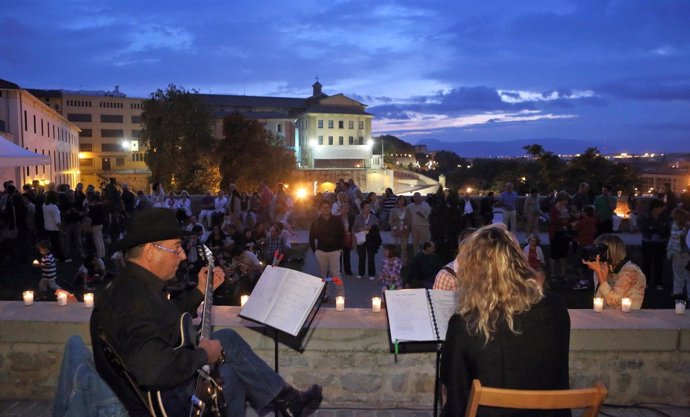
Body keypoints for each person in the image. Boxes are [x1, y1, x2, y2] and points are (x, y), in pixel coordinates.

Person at [90, 208, 322, 417]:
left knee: (227, 339)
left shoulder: (133, 286)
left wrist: (201, 291)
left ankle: (287, 401)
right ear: (150, 251)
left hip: (161, 386)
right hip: (166, 403)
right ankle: (287, 402)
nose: (182, 255)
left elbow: (163, 316)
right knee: (229, 377)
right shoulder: (133, 300)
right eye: (176, 248)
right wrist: (202, 355)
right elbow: (153, 371)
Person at [441, 224, 570, 417]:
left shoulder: (466, 323)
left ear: (473, 271)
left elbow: (455, 394)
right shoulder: (555, 308)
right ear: (518, 261)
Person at [584, 234, 646, 309]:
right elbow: (599, 300)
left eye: (599, 250)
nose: (597, 254)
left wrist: (600, 274)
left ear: (611, 252)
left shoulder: (630, 271)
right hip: (609, 316)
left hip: (628, 317)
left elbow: (612, 300)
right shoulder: (607, 267)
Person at [309, 201, 345, 297]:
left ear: (330, 208)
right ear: (320, 209)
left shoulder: (336, 221)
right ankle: (325, 293)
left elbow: (342, 234)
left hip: (334, 251)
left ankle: (340, 294)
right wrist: (315, 251)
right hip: (321, 251)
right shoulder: (316, 222)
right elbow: (311, 237)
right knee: (323, 275)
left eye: (327, 207)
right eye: (323, 207)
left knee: (336, 274)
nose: (326, 209)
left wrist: (340, 248)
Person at [638, 199, 671, 291]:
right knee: (646, 263)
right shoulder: (646, 216)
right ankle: (646, 282)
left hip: (660, 243)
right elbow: (643, 228)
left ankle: (658, 282)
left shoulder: (664, 217)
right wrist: (655, 229)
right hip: (648, 242)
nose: (662, 209)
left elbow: (666, 229)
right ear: (655, 208)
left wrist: (653, 228)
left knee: (659, 263)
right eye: (661, 207)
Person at [353, 200, 381, 280]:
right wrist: (362, 228)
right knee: (361, 256)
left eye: (369, 207)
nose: (369, 209)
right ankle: (361, 272)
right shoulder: (358, 217)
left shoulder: (373, 217)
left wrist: (371, 227)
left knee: (371, 256)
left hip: (370, 237)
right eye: (367, 207)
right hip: (361, 237)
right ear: (362, 208)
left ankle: (371, 273)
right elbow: (355, 228)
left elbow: (377, 227)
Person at [667, 208, 690, 301]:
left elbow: (674, 238)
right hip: (679, 252)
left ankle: (680, 292)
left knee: (685, 274)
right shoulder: (676, 226)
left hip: (685, 252)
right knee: (679, 273)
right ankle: (678, 292)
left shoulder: (685, 227)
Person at [548, 191, 571, 280]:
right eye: (566, 200)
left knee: (563, 254)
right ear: (561, 199)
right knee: (554, 254)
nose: (567, 202)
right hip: (555, 233)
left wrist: (565, 221)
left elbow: (569, 219)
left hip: (564, 233)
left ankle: (563, 274)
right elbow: (553, 221)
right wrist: (563, 221)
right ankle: (553, 274)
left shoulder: (567, 208)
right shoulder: (554, 209)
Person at [406, 192, 431, 257]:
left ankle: (425, 259)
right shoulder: (410, 207)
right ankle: (416, 259)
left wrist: (422, 215)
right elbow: (407, 217)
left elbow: (429, 217)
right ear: (413, 198)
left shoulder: (426, 205)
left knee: (425, 245)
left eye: (418, 197)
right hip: (414, 228)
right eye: (415, 197)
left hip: (424, 228)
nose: (416, 198)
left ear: (421, 197)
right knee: (415, 246)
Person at [389, 196, 411, 261]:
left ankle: (403, 262)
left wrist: (405, 228)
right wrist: (395, 229)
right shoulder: (393, 210)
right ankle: (393, 262)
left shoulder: (407, 210)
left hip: (404, 231)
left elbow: (409, 221)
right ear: (397, 201)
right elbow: (390, 221)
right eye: (400, 200)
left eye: (402, 200)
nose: (401, 201)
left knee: (404, 248)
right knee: (393, 247)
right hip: (395, 231)